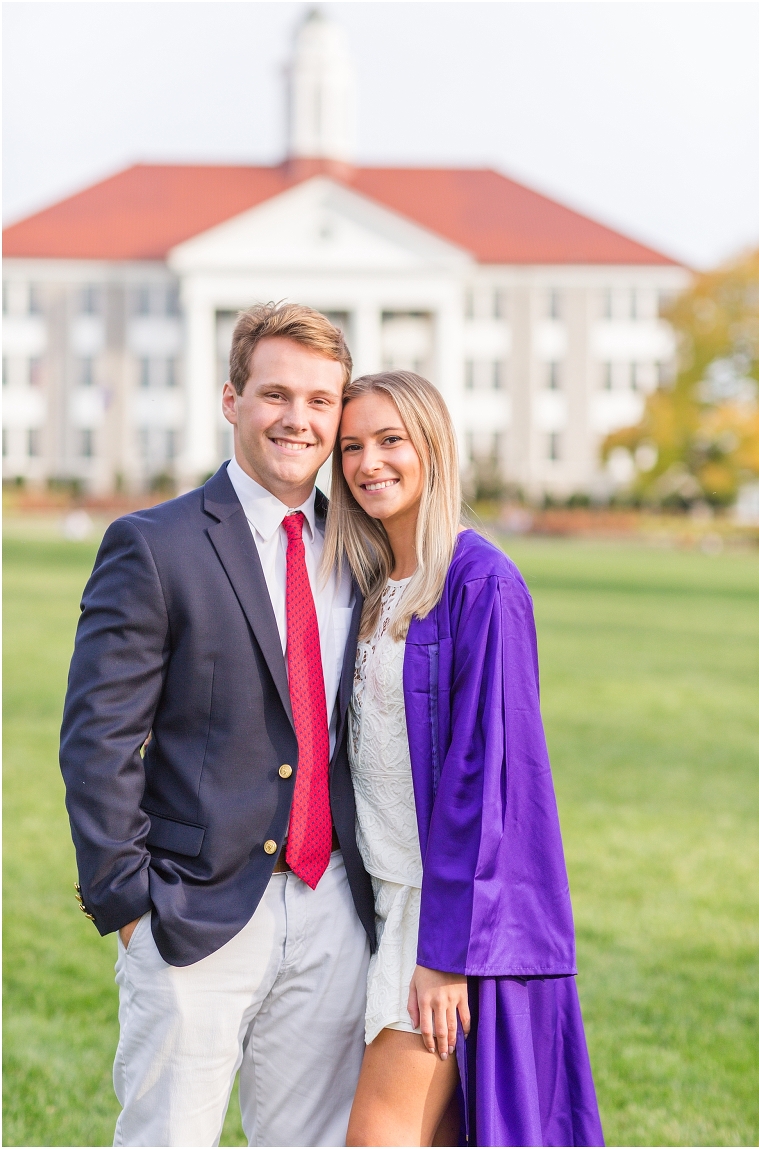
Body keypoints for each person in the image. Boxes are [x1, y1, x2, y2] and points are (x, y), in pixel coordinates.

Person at [59, 303, 376, 1148]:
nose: (298, 419)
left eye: (320, 400)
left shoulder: (358, 547)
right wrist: (130, 904)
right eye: (276, 394)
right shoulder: (153, 545)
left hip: (332, 904)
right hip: (191, 912)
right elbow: (96, 738)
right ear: (230, 399)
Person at [321, 370, 604, 1148]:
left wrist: (447, 956)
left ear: (433, 448)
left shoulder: (481, 583)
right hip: (379, 906)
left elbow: (491, 784)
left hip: (444, 921)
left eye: (390, 440)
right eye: (351, 446)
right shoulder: (375, 586)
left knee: (376, 1137)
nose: (367, 462)